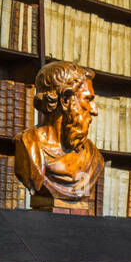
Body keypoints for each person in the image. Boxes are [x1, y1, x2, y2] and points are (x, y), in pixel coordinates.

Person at [14, 61, 104, 213]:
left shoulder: (93, 157)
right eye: (88, 99)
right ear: (66, 100)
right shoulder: (28, 146)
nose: (94, 110)